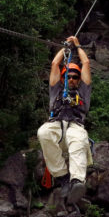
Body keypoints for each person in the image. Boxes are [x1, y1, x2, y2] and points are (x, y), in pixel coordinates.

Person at [37, 35, 92, 204]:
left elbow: (87, 64)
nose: (73, 79)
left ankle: (76, 181)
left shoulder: (83, 91)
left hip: (75, 125)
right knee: (43, 132)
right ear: (63, 77)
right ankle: (62, 177)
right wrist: (65, 48)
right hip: (56, 125)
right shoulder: (56, 89)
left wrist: (77, 46)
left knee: (78, 139)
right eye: (69, 76)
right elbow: (55, 64)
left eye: (76, 76)